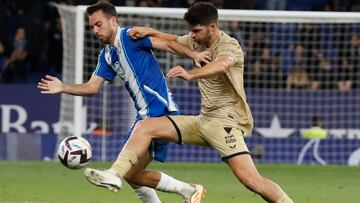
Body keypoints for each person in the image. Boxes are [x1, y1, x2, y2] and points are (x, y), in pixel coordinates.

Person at [85, 2, 294, 203]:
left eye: (196, 31)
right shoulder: (196, 41)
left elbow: (221, 66)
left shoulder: (230, 46)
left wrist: (191, 74)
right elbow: (173, 39)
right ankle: (114, 173)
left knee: (251, 180)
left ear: (212, 27)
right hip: (203, 120)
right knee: (145, 126)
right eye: (191, 31)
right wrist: (150, 31)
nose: (192, 36)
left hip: (226, 121)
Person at [37, 1, 211, 203]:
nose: (95, 30)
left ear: (113, 20)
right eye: (92, 26)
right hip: (144, 116)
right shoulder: (107, 55)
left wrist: (194, 54)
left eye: (99, 24)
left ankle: (114, 174)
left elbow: (169, 44)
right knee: (133, 175)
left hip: (160, 111)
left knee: (126, 170)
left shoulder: (130, 36)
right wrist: (63, 87)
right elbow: (92, 87)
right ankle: (188, 191)